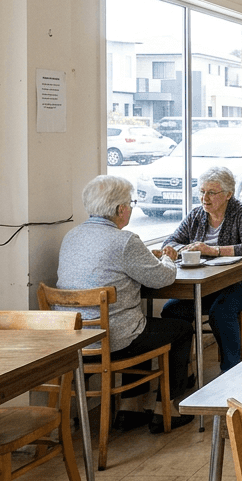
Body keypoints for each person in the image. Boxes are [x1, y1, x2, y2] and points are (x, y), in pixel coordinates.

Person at [56, 175, 194, 432]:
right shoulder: (125, 240)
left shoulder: (71, 237)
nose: (131, 208)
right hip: (113, 339)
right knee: (179, 329)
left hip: (74, 339)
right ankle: (167, 409)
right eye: (130, 204)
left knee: (137, 323)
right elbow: (163, 278)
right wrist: (168, 257)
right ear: (120, 210)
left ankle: (131, 408)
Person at [158, 166, 242, 372]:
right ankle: (180, 375)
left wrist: (213, 250)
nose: (204, 198)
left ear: (228, 194)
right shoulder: (196, 215)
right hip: (208, 284)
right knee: (172, 310)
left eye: (211, 193)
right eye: (201, 192)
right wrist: (183, 249)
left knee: (221, 311)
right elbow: (170, 241)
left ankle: (232, 372)